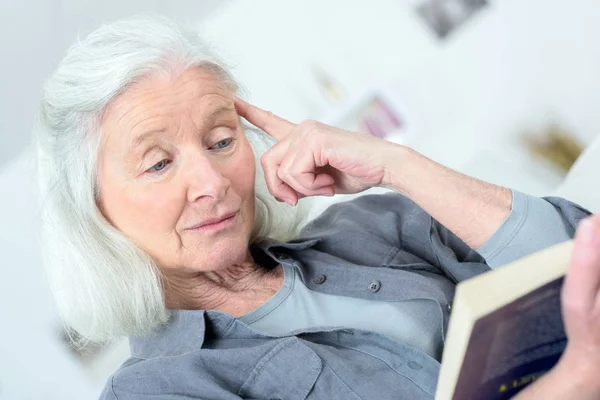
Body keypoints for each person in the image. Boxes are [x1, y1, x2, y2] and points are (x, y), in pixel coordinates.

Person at [35, 15, 599, 400]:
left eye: (221, 140)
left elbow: (578, 263)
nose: (211, 182)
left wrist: (393, 164)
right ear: (96, 209)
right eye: (158, 163)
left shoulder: (371, 227)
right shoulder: (157, 388)